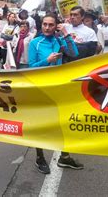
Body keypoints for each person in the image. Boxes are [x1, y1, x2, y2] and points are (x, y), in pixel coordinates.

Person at [28, 14, 82, 173]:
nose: (47, 27)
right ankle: (40, 157)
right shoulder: (35, 43)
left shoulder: (60, 41)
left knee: (62, 123)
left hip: (58, 88)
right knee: (41, 125)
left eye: (51, 25)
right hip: (40, 88)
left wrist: (65, 33)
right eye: (44, 24)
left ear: (56, 26)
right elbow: (30, 67)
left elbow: (74, 54)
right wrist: (47, 61)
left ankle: (65, 158)